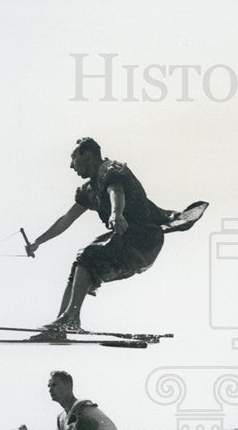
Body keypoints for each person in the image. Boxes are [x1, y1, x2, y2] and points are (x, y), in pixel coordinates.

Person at [25, 138, 207, 332]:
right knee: (79, 268)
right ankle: (63, 324)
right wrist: (38, 242)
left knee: (88, 255)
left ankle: (68, 319)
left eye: (74, 159)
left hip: (144, 239)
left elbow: (116, 191)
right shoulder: (89, 190)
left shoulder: (110, 170)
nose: (71, 166)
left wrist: (116, 212)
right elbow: (66, 219)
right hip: (126, 241)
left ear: (87, 156)